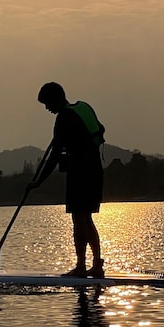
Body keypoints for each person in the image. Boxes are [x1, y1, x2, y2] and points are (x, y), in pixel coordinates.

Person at [29, 82, 105, 277]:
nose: (47, 108)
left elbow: (54, 156)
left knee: (79, 219)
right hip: (95, 171)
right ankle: (96, 265)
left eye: (47, 104)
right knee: (85, 218)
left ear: (55, 99)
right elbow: (100, 129)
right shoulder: (82, 108)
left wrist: (38, 182)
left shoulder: (64, 117)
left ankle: (81, 266)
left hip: (81, 174)